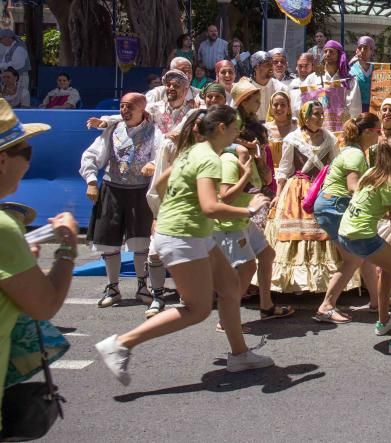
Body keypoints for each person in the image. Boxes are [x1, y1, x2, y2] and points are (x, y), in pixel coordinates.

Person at [95, 106, 273, 384]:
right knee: (197, 309)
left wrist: (171, 207)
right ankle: (121, 344)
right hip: (182, 237)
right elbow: (211, 206)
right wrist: (249, 210)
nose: (239, 132)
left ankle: (240, 355)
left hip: (193, 233)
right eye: (235, 126)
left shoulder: (194, 151)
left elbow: (161, 184)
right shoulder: (209, 159)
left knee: (229, 288)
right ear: (222, 128)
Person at [0, 102, 77, 429]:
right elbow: (45, 304)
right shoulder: (4, 229)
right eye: (27, 153)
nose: (29, 163)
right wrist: (68, 249)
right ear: (3, 160)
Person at [337, 136, 391, 354]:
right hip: (362, 237)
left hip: (346, 232)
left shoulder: (371, 174)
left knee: (388, 269)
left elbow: (376, 209)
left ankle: (384, 321)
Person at [79, 92, 161, 309]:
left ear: (142, 109)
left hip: (139, 192)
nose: (124, 111)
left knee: (141, 241)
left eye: (129, 107)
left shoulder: (154, 132)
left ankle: (143, 286)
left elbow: (161, 155)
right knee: (109, 240)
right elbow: (91, 155)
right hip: (112, 189)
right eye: (122, 107)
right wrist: (91, 180)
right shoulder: (112, 129)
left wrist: (153, 165)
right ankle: (113, 287)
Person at [214, 120, 292, 323]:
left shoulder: (251, 159)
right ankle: (226, 317)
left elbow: (266, 181)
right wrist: (246, 174)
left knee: (267, 255)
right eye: (261, 143)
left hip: (244, 221)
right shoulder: (229, 162)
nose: (264, 147)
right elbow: (225, 196)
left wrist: (258, 161)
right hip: (230, 224)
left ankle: (266, 306)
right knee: (248, 268)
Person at [312, 113, 381, 322]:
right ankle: (326, 306)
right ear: (368, 132)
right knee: (354, 258)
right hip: (335, 207)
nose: (380, 135)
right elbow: (353, 187)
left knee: (362, 254)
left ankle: (377, 301)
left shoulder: (355, 152)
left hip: (331, 206)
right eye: (378, 131)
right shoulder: (356, 155)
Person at [265, 100, 339, 294]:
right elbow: (284, 168)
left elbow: (335, 165)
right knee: (297, 232)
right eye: (316, 114)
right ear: (306, 116)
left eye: (322, 114)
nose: (320, 117)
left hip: (321, 188)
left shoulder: (329, 138)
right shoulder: (292, 138)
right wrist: (278, 194)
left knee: (320, 232)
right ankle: (295, 282)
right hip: (298, 189)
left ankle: (320, 282)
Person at [248, 51, 289, 122]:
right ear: (256, 67)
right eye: (267, 65)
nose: (271, 68)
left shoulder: (281, 88)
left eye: (271, 64)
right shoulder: (245, 88)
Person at [349, 36, 376, 113]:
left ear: (372, 51)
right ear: (356, 50)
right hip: (356, 108)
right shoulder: (351, 69)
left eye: (366, 48)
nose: (362, 51)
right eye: (360, 48)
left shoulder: (377, 69)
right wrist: (349, 64)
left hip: (373, 108)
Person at [0, 29, 30, 94]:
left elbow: (17, 64)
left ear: (7, 38)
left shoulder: (19, 48)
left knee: (20, 98)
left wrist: (1, 66)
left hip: (20, 78)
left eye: (1, 39)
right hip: (11, 79)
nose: (1, 42)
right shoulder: (10, 47)